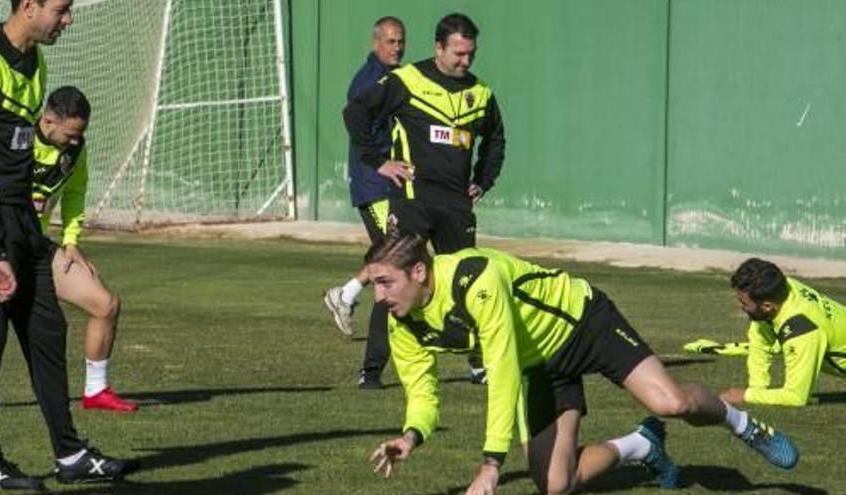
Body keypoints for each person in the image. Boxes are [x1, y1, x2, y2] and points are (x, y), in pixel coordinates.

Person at [365, 232, 799, 495]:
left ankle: (742, 423)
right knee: (556, 486)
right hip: (540, 366)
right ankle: (643, 446)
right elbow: (422, 390)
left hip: (583, 322)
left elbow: (502, 368)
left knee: (672, 403)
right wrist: (411, 435)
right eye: (374, 285)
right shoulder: (402, 322)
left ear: (419, 272)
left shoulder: (473, 278)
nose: (379, 296)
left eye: (386, 283)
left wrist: (491, 464)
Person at [0, 1, 137, 492]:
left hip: (24, 229)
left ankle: (69, 453)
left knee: (47, 332)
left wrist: (54, 235)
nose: (68, 20)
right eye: (61, 10)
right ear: (28, 7)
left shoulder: (35, 61)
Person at [343, 13, 503, 387]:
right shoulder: (406, 81)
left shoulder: (480, 94)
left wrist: (483, 181)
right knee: (393, 280)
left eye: (471, 54)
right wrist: (379, 162)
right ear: (439, 48)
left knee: (467, 285)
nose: (466, 61)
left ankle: (479, 362)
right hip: (411, 203)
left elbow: (495, 140)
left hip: (456, 208)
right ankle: (371, 372)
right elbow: (355, 113)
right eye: (459, 53)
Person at [32, 86, 137, 412]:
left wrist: (71, 240)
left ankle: (96, 391)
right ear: (48, 120)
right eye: (70, 134)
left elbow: (75, 192)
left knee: (105, 304)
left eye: (81, 134)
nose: (76, 141)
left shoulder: (76, 150)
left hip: (35, 249)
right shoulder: (12, 137)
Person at [322, 16, 404, 389]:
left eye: (400, 41)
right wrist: (382, 162)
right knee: (394, 262)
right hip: (374, 185)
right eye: (390, 41)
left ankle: (348, 292)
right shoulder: (368, 82)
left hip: (393, 186)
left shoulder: (395, 79)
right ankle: (371, 369)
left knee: (399, 258)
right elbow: (359, 128)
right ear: (375, 43)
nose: (396, 47)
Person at [721, 257, 846, 407]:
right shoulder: (782, 288)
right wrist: (757, 388)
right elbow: (760, 339)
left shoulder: (801, 330)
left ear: (767, 306)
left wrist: (746, 395)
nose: (739, 305)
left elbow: (795, 397)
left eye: (743, 303)